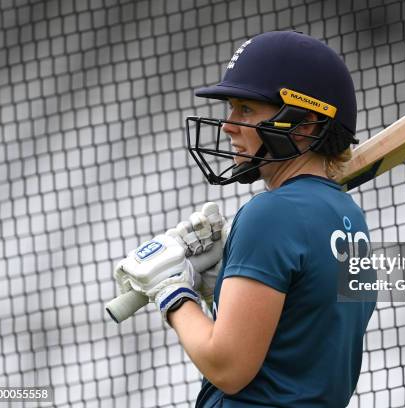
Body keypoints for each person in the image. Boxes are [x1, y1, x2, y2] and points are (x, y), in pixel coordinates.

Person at [114, 31, 376, 407]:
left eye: (246, 109)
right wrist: (219, 287)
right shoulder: (350, 216)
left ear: (306, 124)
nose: (228, 125)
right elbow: (298, 344)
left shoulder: (270, 214)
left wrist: (171, 292)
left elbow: (229, 367)